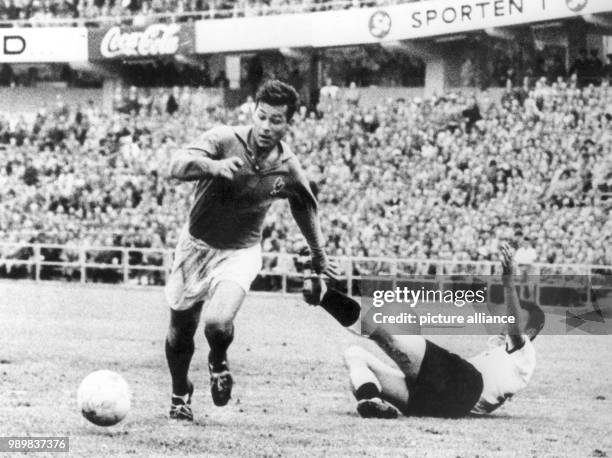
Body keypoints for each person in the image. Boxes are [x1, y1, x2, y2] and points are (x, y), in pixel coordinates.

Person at [164, 80, 339, 421]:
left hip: (240, 252)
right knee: (179, 332)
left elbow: (304, 205)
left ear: (288, 123)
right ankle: (180, 392)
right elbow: (176, 164)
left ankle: (218, 361)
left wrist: (318, 252)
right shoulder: (223, 139)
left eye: (276, 120)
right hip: (195, 248)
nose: (266, 126)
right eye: (262, 116)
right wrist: (212, 167)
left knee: (216, 323)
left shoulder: (287, 167)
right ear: (253, 112)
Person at [342, 243, 544, 419]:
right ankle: (372, 399)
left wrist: (509, 283)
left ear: (531, 330)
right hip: (436, 401)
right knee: (354, 354)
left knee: (388, 335)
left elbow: (515, 328)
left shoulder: (525, 355)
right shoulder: (503, 354)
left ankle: (325, 297)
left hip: (462, 390)